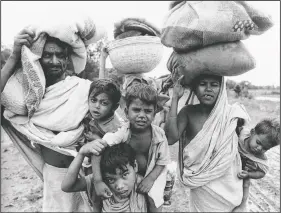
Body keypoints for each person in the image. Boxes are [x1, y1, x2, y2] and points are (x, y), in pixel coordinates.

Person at [1, 22, 106, 212]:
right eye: (48, 55)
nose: (55, 61)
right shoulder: (27, 99)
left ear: (67, 59)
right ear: (37, 59)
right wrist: (15, 55)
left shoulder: (81, 89)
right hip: (54, 178)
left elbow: (110, 119)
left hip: (87, 176)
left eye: (60, 55)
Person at [165, 74, 250, 212]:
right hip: (203, 189)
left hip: (230, 187)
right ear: (195, 88)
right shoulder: (188, 112)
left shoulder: (232, 115)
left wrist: (243, 203)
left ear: (221, 88)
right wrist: (175, 98)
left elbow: (244, 158)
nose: (208, 89)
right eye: (203, 84)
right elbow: (170, 138)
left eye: (214, 85)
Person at [91, 83, 171, 212]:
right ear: (127, 112)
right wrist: (98, 180)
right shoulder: (122, 132)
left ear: (155, 112)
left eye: (148, 111)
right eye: (136, 110)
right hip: (126, 173)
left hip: (153, 172)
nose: (142, 115)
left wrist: (150, 179)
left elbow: (163, 161)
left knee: (154, 198)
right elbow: (97, 151)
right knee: (100, 193)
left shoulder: (159, 134)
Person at [61, 143, 147, 212]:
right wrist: (81, 153)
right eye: (111, 179)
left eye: (124, 175)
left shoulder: (143, 184)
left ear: (135, 166)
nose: (120, 186)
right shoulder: (101, 183)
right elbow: (67, 186)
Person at [234, 118, 280, 211]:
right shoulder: (243, 134)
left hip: (242, 173)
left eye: (265, 148)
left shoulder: (260, 158)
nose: (259, 148)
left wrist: (249, 174)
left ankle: (242, 206)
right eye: (258, 143)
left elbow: (262, 173)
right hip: (230, 164)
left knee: (246, 184)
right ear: (252, 132)